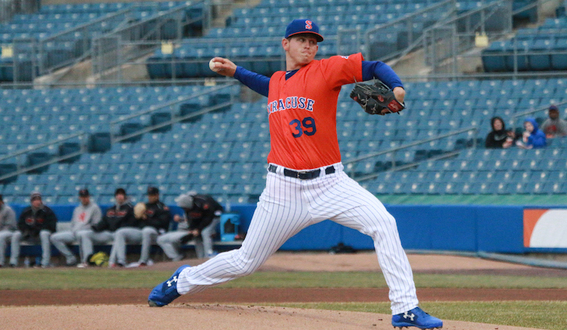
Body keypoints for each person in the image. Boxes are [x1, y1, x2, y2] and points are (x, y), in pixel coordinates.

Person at [148, 19, 443, 329]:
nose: (309, 45)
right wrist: (236, 72)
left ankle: (405, 308)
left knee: (384, 224)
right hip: (282, 189)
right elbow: (268, 86)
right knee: (246, 261)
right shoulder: (277, 81)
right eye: (301, 39)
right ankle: (183, 280)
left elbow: (375, 66)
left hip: (331, 183)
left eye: (313, 41)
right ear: (285, 43)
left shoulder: (326, 70)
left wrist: (397, 87)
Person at [112, 187, 171, 267]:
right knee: (120, 232)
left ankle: (143, 261)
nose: (150, 197)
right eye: (149, 195)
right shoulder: (145, 206)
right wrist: (136, 215)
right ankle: (121, 261)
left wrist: (147, 218)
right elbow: (134, 223)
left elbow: (162, 223)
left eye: (152, 195)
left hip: (156, 233)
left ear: (157, 195)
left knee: (146, 230)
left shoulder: (162, 207)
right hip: (142, 232)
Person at [157, 192, 223, 261]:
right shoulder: (189, 208)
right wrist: (193, 229)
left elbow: (208, 217)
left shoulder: (202, 202)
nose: (184, 209)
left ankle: (208, 255)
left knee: (205, 232)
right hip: (204, 219)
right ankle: (200, 258)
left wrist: (198, 229)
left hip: (215, 216)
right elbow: (191, 219)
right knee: (196, 236)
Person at [78, 188, 134, 268]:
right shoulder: (111, 209)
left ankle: (113, 262)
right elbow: (104, 221)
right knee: (86, 234)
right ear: (115, 197)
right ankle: (88, 260)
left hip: (121, 233)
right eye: (118, 195)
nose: (120, 196)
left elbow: (130, 223)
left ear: (125, 196)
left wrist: (116, 225)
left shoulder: (129, 208)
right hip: (109, 233)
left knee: (119, 234)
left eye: (121, 194)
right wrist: (96, 228)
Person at [50, 189, 102, 266]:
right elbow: (73, 224)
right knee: (54, 237)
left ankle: (87, 261)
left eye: (85, 196)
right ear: (79, 197)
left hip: (87, 233)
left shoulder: (94, 208)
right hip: (74, 232)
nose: (84, 198)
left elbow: (96, 225)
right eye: (82, 197)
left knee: (83, 234)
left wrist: (84, 229)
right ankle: (71, 258)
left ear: (89, 197)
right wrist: (74, 231)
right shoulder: (77, 209)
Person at [10, 192, 57, 268]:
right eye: (35, 200)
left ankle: (45, 262)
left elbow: (51, 225)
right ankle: (13, 262)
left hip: (42, 235)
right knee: (16, 234)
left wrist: (37, 229)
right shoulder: (27, 211)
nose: (37, 201)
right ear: (31, 201)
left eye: (38, 199)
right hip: (29, 234)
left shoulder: (47, 211)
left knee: (44, 233)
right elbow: (20, 224)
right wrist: (26, 231)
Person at [0, 195, 17, 267]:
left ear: (1, 202)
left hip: (9, 232)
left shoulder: (8, 210)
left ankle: (1, 262)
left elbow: (11, 226)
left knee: (0, 236)